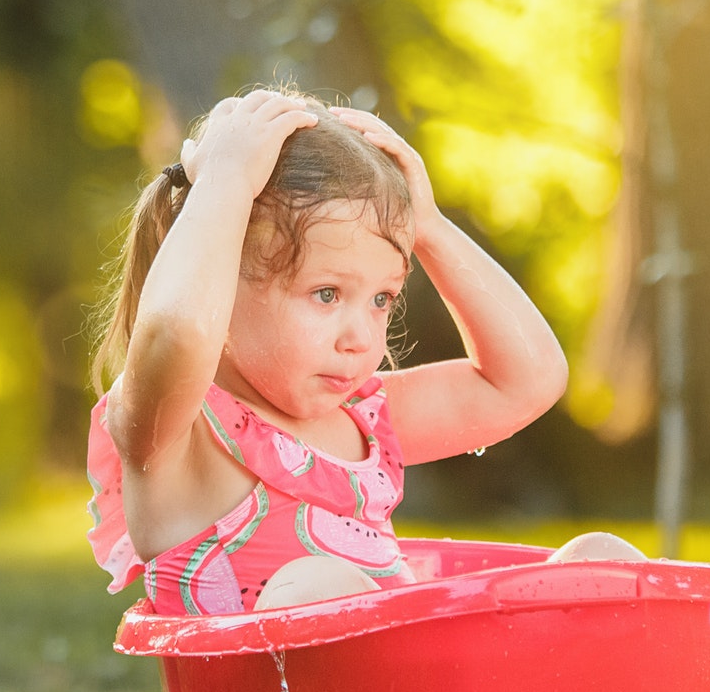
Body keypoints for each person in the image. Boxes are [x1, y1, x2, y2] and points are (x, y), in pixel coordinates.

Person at [87, 89, 639, 615]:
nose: (362, 336)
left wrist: (430, 228)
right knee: (323, 585)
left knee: (604, 561)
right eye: (326, 294)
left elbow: (529, 380)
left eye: (381, 299)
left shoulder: (362, 419)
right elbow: (176, 332)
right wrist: (225, 183)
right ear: (222, 286)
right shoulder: (172, 432)